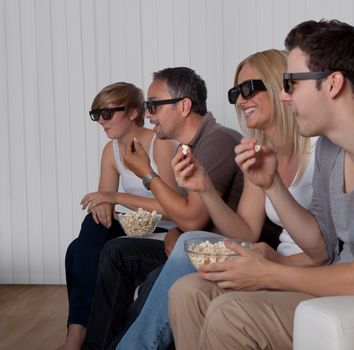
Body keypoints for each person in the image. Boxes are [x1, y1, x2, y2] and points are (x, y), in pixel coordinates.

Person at [168, 19, 354, 350]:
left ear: (333, 84)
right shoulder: (330, 147)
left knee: (232, 314)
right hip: (349, 289)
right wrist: (272, 185)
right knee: (189, 292)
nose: (283, 97)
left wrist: (268, 273)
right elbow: (321, 247)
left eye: (291, 83)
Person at [114, 49, 316, 350]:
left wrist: (147, 175)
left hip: (291, 260)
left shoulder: (316, 147)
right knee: (127, 256)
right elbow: (245, 230)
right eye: (235, 92)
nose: (240, 100)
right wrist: (205, 188)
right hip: (265, 252)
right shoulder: (257, 150)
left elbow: (328, 248)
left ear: (278, 85)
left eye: (248, 89)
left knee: (179, 247)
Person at [81, 67, 246, 350]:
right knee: (115, 250)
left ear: (183, 106)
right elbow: (192, 217)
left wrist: (146, 174)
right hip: (197, 240)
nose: (147, 114)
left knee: (150, 282)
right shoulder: (188, 145)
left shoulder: (217, 139)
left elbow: (194, 218)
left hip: (223, 246)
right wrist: (179, 232)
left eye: (153, 105)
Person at [61, 82, 179, 350]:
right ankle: (77, 331)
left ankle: (81, 337)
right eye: (96, 114)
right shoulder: (111, 151)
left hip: (167, 233)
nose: (101, 121)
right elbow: (104, 204)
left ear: (134, 112)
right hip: (135, 229)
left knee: (77, 249)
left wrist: (114, 199)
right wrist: (105, 204)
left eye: (108, 113)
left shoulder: (160, 144)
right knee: (79, 245)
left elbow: (174, 206)